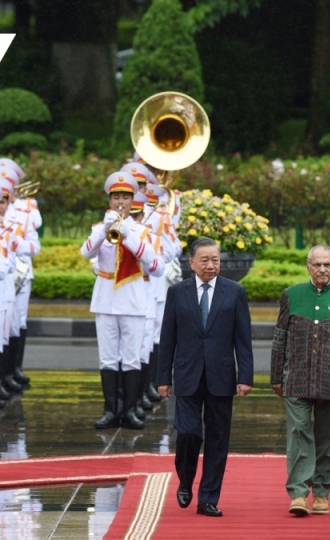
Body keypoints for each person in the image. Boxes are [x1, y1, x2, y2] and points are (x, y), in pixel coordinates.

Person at [157, 237, 254, 518]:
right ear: (191, 263)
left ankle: (208, 498)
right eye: (205, 260)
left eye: (216, 260)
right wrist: (163, 377)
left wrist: (244, 376)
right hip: (187, 374)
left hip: (221, 375)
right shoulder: (177, 292)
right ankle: (186, 480)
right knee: (188, 432)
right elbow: (167, 338)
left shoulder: (234, 292)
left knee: (217, 439)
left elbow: (243, 339)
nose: (211, 265)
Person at [270, 244, 330, 516]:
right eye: (317, 264)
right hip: (296, 379)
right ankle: (298, 493)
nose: (322, 269)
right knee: (299, 434)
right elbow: (279, 339)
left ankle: (321, 492)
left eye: (327, 265)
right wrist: (276, 376)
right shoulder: (291, 295)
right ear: (308, 266)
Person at [80, 171, 164, 430]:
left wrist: (127, 233)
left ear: (132, 201)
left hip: (133, 300)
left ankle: (129, 410)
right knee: (107, 358)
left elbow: (156, 265)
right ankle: (110, 410)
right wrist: (105, 229)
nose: (120, 202)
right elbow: (85, 252)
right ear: (110, 199)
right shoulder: (99, 228)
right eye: (116, 196)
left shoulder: (142, 231)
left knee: (130, 358)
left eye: (125, 198)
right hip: (106, 299)